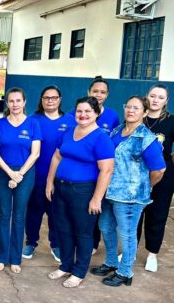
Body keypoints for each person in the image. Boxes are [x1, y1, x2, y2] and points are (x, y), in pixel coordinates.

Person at [92, 96, 166, 287]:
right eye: (128, 106)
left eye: (136, 108)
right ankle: (111, 262)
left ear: (145, 112)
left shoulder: (147, 139)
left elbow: (159, 170)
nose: (131, 110)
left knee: (126, 233)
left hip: (130, 197)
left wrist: (145, 186)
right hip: (109, 191)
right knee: (106, 227)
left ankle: (125, 272)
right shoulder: (117, 130)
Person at [46, 97, 114, 288]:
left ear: (96, 113)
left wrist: (96, 199)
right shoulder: (69, 132)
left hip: (83, 191)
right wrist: (49, 182)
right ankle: (66, 265)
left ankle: (79, 271)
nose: (82, 115)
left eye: (87, 111)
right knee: (63, 229)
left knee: (83, 233)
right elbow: (57, 157)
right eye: (79, 111)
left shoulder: (101, 138)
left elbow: (107, 170)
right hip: (61, 188)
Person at [136, 84, 174, 273]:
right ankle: (130, 251)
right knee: (134, 215)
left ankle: (152, 254)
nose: (155, 100)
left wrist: (167, 163)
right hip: (136, 176)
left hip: (163, 179)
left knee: (156, 215)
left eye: (160, 97)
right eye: (152, 96)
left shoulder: (172, 122)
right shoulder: (137, 118)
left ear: (166, 101)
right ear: (147, 96)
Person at [0, 88, 41, 274]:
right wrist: (10, 173)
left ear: (24, 102)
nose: (15, 104)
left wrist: (19, 174)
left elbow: (35, 153)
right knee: (4, 215)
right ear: (7, 103)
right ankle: (1, 257)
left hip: (25, 174)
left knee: (19, 216)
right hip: (3, 172)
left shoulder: (33, 124)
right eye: (11, 101)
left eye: (18, 100)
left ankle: (15, 258)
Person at [23, 86, 75, 263]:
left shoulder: (71, 121)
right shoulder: (32, 120)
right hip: (36, 176)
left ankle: (56, 245)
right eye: (46, 98)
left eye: (54, 97)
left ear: (60, 99)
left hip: (61, 178)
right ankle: (30, 242)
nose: (50, 101)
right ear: (41, 100)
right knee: (33, 212)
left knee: (57, 214)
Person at [85, 76, 120, 254]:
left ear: (107, 95)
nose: (98, 95)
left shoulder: (113, 116)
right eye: (95, 91)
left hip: (102, 171)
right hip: (83, 172)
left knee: (97, 206)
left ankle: (93, 243)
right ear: (88, 92)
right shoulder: (79, 112)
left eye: (103, 92)